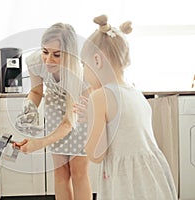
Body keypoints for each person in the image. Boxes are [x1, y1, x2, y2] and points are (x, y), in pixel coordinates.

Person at [74, 14, 177, 199]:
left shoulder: (100, 97)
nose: (83, 72)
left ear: (96, 61)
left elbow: (96, 154)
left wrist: (87, 121)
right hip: (154, 177)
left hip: (127, 185)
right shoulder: (136, 93)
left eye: (84, 65)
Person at [14, 23, 92, 200]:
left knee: (79, 171)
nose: (48, 59)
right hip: (54, 109)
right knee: (60, 171)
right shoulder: (35, 62)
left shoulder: (82, 74)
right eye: (45, 51)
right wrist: (29, 109)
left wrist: (39, 143)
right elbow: (36, 92)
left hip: (79, 112)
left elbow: (69, 122)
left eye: (57, 54)